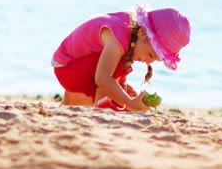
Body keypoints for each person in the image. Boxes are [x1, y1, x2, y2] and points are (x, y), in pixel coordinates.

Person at [51, 6, 190, 112]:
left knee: (118, 87)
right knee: (112, 79)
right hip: (68, 67)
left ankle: (79, 100)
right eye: (150, 55)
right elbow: (102, 78)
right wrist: (129, 103)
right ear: (142, 32)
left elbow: (109, 70)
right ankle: (100, 107)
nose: (148, 62)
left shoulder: (130, 32)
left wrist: (122, 90)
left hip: (78, 67)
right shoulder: (118, 36)